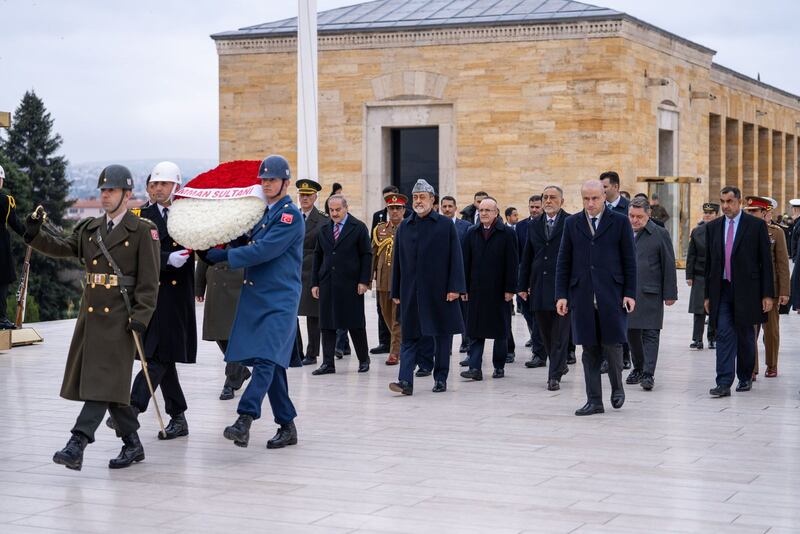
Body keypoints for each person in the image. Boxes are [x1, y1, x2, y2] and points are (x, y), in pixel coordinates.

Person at [25, 164, 159, 470]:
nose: (105, 195)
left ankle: (78, 442)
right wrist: (34, 235)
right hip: (92, 317)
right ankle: (133, 444)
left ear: (128, 194)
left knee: (102, 382)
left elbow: (150, 283)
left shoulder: (142, 231)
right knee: (109, 384)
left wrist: (141, 316)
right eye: (102, 190)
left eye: (111, 190)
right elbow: (64, 248)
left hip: (122, 319)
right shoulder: (90, 229)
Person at [202, 155, 303, 449]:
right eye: (264, 180)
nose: (267, 184)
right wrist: (215, 243)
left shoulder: (289, 216)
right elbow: (244, 239)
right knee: (272, 366)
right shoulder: (263, 214)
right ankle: (287, 425)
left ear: (285, 182)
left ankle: (244, 419)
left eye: (272, 179)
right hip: (258, 298)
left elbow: (263, 250)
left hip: (280, 299)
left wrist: (226, 257)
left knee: (266, 360)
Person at [113, 161, 196, 441]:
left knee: (159, 355)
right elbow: (133, 256)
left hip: (176, 296)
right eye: (153, 184)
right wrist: (165, 260)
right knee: (162, 356)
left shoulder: (188, 214)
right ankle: (177, 416)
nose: (157, 189)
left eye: (163, 184)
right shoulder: (140, 216)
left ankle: (133, 408)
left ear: (176, 186)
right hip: (151, 294)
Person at [556, 179, 636, 416]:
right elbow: (564, 261)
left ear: (604, 197)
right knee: (589, 349)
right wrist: (561, 295)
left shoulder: (620, 222)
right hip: (582, 295)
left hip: (611, 294)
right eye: (585, 199)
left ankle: (617, 387)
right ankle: (594, 400)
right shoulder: (572, 223)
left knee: (612, 346)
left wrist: (630, 293)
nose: (590, 203)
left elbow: (629, 261)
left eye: (594, 198)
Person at [390, 179, 465, 395]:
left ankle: (440, 378)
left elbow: (455, 259)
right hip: (411, 292)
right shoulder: (405, 226)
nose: (418, 201)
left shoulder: (444, 225)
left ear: (432, 200)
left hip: (439, 292)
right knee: (409, 336)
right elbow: (398, 261)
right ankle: (405, 381)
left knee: (442, 336)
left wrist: (455, 287)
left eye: (422, 197)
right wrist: (396, 291)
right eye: (415, 197)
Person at [704, 187, 774, 397]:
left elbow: (766, 263)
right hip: (722, 289)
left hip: (748, 291)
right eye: (722, 201)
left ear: (739, 201)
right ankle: (724, 382)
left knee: (745, 336)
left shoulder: (756, 226)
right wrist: (707, 295)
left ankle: (744, 376)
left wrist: (767, 294)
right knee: (724, 334)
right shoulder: (713, 227)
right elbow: (710, 264)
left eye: (730, 201)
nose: (725, 206)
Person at [311, 194, 372, 375]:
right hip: (328, 282)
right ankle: (328, 363)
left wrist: (364, 281)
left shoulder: (358, 227)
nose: (335, 213)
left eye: (338, 210)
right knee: (327, 323)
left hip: (351, 283)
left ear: (346, 208)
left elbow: (366, 255)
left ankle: (363, 359)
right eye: (332, 210)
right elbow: (317, 256)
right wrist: (315, 282)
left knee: (355, 323)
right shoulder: (323, 229)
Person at [518, 185, 571, 390]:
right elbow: (527, 256)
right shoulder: (534, 225)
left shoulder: (571, 222)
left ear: (562, 201)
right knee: (545, 332)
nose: (548, 201)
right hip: (539, 286)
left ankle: (553, 375)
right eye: (545, 197)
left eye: (553, 197)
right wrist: (522, 285)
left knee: (559, 333)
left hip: (562, 288)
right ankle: (560, 364)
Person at [460, 197, 518, 381]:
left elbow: (512, 263)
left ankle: (499, 366)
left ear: (496, 213)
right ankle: (475, 368)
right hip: (476, 290)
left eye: (488, 210)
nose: (484, 213)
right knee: (475, 330)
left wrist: (510, 288)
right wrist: (464, 288)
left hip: (499, 290)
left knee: (500, 330)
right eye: (481, 210)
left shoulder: (507, 233)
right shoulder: (471, 232)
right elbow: (465, 262)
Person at [625, 197, 677, 391]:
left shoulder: (659, 233)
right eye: (631, 216)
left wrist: (670, 293)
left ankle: (648, 373)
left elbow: (669, 264)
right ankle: (637, 367)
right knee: (631, 333)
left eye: (639, 216)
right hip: (627, 293)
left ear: (649, 215)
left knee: (651, 333)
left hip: (650, 292)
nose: (635, 220)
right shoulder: (622, 232)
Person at [743, 196, 790, 379]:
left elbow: (782, 263)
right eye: (749, 211)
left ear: (765, 213)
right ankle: (752, 368)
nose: (751, 214)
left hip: (772, 289)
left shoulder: (776, 232)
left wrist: (784, 291)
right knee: (750, 330)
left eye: (754, 211)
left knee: (771, 330)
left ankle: (771, 364)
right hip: (750, 289)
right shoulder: (744, 231)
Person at [195, 251, 250, 400]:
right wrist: (199, 287)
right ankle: (240, 369)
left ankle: (230, 383)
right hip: (215, 284)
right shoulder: (211, 230)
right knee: (218, 332)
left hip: (238, 284)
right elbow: (203, 257)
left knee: (233, 336)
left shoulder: (245, 229)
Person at [369, 185, 412, 355]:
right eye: (391, 208)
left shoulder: (410, 227)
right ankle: (399, 346)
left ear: (403, 210)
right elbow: (372, 253)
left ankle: (395, 352)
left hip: (402, 280)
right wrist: (367, 278)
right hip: (383, 279)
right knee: (386, 315)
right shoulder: (380, 229)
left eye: (398, 208)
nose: (394, 211)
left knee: (398, 318)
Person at [296, 178, 327, 366]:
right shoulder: (291, 216)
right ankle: (296, 351)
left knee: (312, 316)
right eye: (302, 195)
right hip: (292, 272)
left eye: (308, 195)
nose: (304, 198)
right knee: (290, 315)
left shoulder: (323, 220)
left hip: (312, 272)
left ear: (315, 197)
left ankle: (312, 353)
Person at [514, 194, 547, 365]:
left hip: (544, 279)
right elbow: (521, 255)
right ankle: (538, 340)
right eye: (531, 207)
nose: (534, 210)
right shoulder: (520, 226)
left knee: (541, 315)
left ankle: (540, 349)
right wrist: (522, 282)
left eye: (537, 207)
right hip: (525, 276)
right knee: (528, 313)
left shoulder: (549, 225)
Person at [441, 195, 472, 354]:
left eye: (449, 206)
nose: (447, 209)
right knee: (445, 315)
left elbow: (468, 254)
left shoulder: (465, 226)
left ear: (455, 208)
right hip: (442, 279)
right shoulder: (436, 225)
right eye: (444, 206)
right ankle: (446, 347)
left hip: (461, 277)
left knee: (463, 313)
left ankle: (466, 342)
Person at [686, 202, 720, 349]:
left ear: (716, 215)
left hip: (716, 275)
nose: (707, 215)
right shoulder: (696, 231)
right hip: (700, 274)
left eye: (710, 213)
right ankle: (697, 339)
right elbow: (691, 255)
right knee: (698, 309)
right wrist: (689, 275)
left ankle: (713, 337)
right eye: (705, 213)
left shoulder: (722, 230)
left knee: (714, 307)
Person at [0, 164, 26, 330]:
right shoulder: (5, 201)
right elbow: (16, 225)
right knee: (1, 283)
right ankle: (0, 318)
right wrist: (32, 231)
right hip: (0, 248)